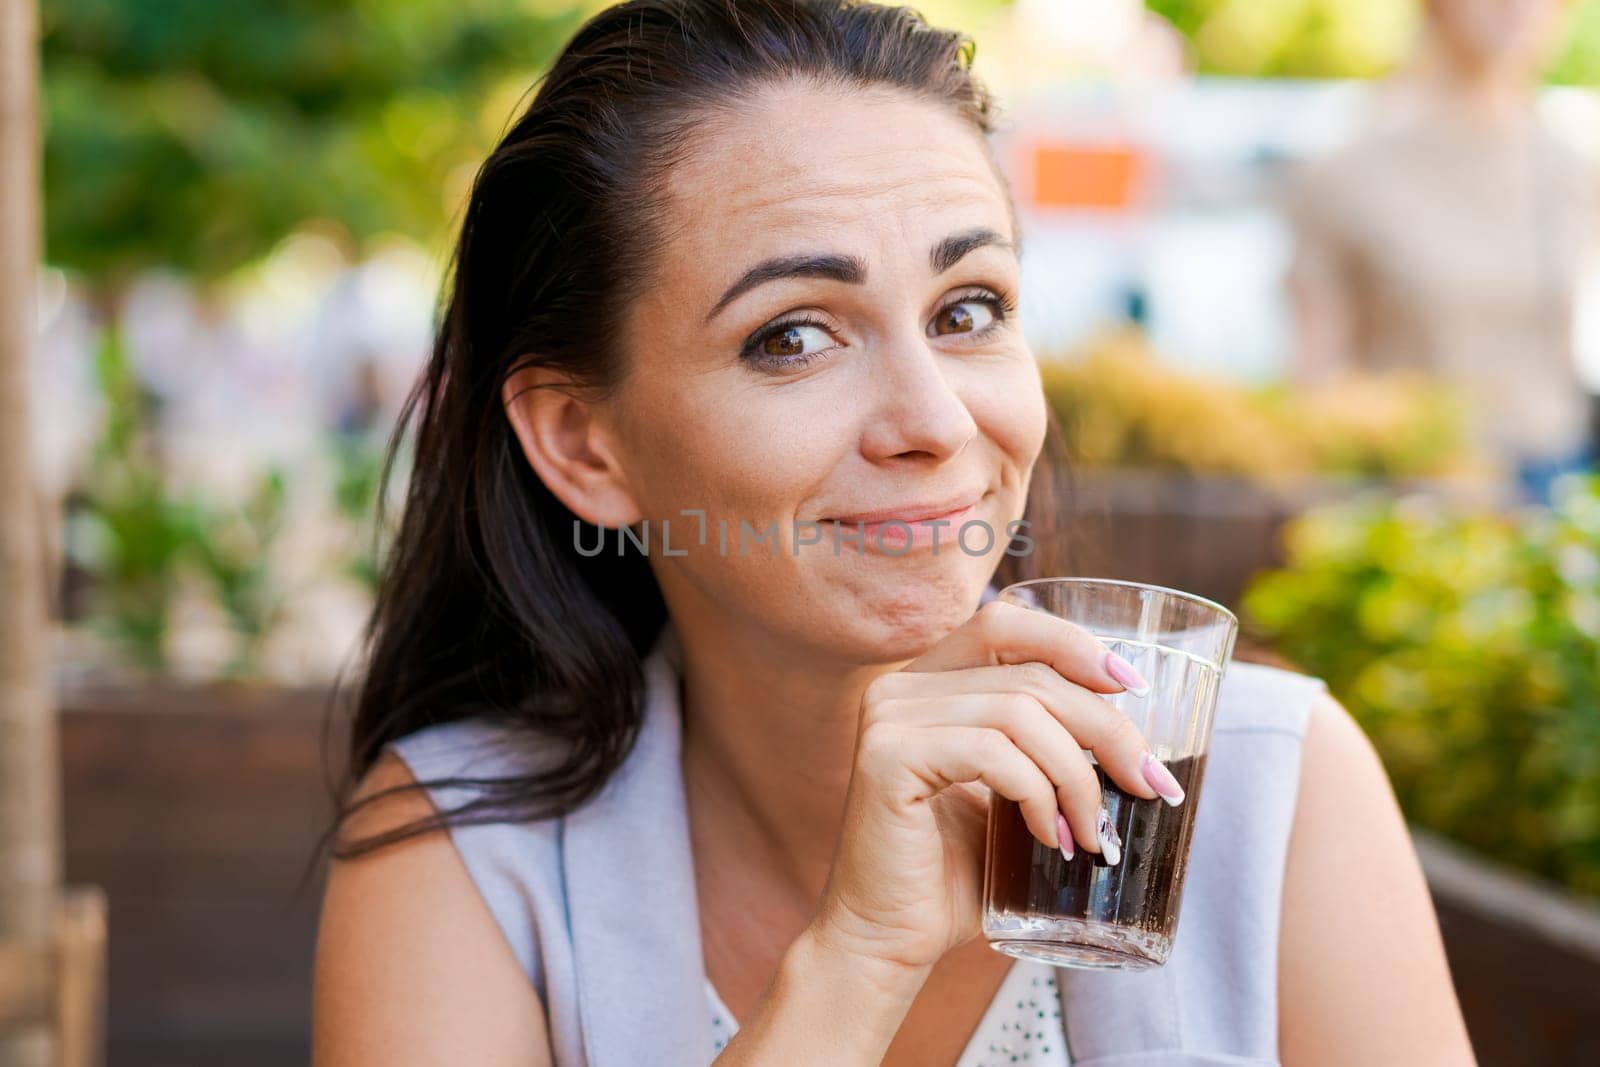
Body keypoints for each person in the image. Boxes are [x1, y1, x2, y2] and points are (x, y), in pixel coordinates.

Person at [310, 2, 1475, 1064]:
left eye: (968, 310)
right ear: (582, 443)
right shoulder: (466, 857)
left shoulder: (1274, 790)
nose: (934, 419)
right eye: (793, 336)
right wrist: (855, 958)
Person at [1282, 0, 1600, 506]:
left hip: (1558, 501)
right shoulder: (1345, 173)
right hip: (1413, 510)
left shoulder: (1575, 169)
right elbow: (1314, 390)